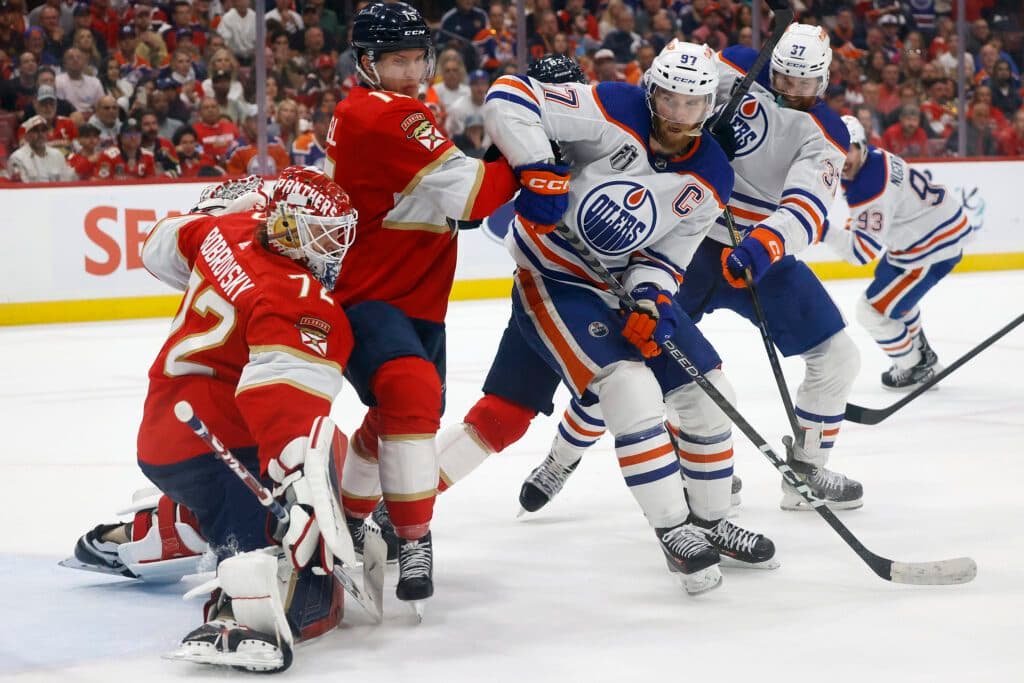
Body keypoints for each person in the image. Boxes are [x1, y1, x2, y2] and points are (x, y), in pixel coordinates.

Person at [419, 46, 775, 589]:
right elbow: (509, 98)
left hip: (617, 290)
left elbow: (665, 257)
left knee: (710, 390)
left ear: (708, 105)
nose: (677, 113)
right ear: (650, 89)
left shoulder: (710, 177)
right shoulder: (608, 108)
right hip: (556, 279)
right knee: (621, 390)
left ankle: (712, 520)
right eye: (668, 98)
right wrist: (537, 170)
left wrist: (652, 299)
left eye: (692, 102)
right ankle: (673, 529)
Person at [519, 24, 863, 514]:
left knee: (838, 356)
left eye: (804, 85)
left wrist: (766, 243)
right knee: (633, 356)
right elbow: (672, 96)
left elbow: (808, 207)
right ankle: (562, 457)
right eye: (783, 77)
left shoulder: (828, 133)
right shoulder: (738, 65)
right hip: (685, 241)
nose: (790, 92)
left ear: (824, 82)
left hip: (755, 257)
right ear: (773, 63)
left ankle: (806, 472)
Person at [63, 168, 360, 673]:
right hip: (220, 444)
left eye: (338, 234)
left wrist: (216, 211)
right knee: (283, 520)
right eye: (320, 233)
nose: (332, 248)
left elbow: (158, 246)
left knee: (226, 496)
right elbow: (283, 410)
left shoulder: (227, 231)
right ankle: (235, 614)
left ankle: (150, 531)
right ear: (286, 224)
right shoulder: (300, 301)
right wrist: (301, 494)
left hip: (163, 432)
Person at [323, 1, 520, 612]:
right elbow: (474, 195)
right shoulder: (388, 115)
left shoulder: (386, 109)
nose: (410, 72)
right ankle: (413, 536)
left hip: (417, 297)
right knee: (409, 395)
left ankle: (351, 516)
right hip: (372, 293)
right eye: (396, 60)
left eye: (416, 59)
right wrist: (533, 153)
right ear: (367, 63)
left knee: (397, 415)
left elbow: (450, 204)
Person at [821, 116, 980, 390]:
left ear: (861, 145)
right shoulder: (874, 158)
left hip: (929, 250)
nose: (842, 157)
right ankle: (924, 357)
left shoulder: (869, 187)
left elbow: (860, 254)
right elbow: (873, 215)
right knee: (891, 291)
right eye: (836, 151)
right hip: (928, 236)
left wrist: (821, 231)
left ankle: (914, 367)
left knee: (870, 311)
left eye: (848, 149)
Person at [6, 114, 76, 181]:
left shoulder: (57, 155)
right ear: (27, 136)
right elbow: (21, 188)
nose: (40, 134)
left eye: (43, 130)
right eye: (35, 131)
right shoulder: (17, 158)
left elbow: (65, 182)